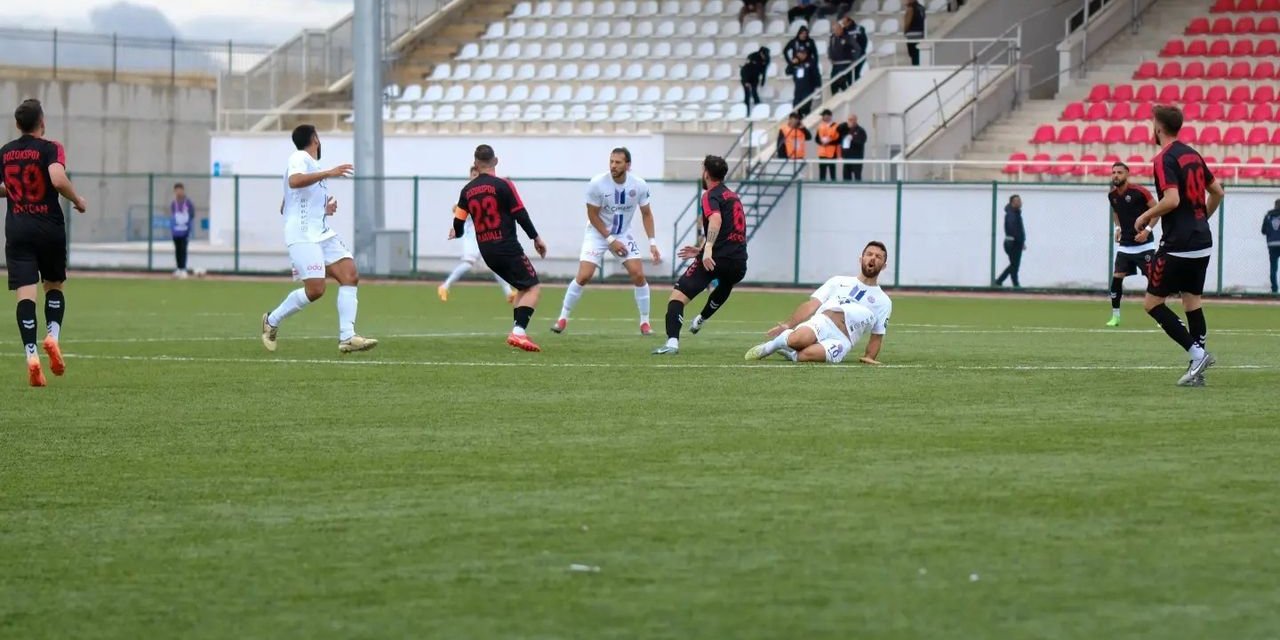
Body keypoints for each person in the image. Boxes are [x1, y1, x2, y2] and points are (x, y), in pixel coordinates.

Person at [260, 124, 376, 354]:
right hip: (302, 235)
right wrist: (329, 172)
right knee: (316, 289)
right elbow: (294, 182)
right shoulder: (300, 157)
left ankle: (347, 337)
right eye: (319, 136)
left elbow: (289, 204)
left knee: (350, 274)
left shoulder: (312, 165)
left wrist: (324, 208)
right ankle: (271, 321)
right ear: (315, 138)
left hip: (321, 233)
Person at [1135, 105, 1225, 387]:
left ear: (1158, 128)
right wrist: (1200, 219)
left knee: (1152, 304)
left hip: (1178, 245)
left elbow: (1172, 200)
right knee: (1192, 302)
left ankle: (1197, 354)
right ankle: (1197, 371)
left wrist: (1146, 215)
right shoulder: (1193, 154)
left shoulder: (1164, 158)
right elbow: (1217, 192)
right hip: (1202, 240)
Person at [0, 99, 86, 386]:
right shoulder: (51, 148)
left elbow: (8, 186)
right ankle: (53, 336)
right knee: (54, 286)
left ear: (17, 125)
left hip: (18, 229)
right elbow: (57, 178)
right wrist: (77, 199)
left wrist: (14, 191)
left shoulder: (6, 153)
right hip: (48, 227)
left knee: (26, 296)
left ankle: (31, 355)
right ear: (42, 122)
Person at [552, 147, 661, 335]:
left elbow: (647, 214)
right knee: (584, 276)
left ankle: (645, 322)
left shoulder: (639, 185)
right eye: (611, 161)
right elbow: (592, 215)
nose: (613, 166)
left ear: (628, 165)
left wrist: (652, 242)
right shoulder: (597, 183)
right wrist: (610, 240)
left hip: (622, 234)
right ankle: (562, 318)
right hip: (597, 233)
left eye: (618, 162)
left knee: (638, 274)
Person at [453, 144, 548, 352]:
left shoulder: (467, 191)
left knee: (522, 288)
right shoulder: (504, 185)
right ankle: (519, 332)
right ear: (496, 161)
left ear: (475, 164)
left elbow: (458, 224)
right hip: (506, 245)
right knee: (533, 287)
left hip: (486, 250)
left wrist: (456, 232)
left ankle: (518, 331)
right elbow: (520, 213)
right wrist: (536, 238)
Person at [653, 155, 749, 355]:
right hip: (739, 261)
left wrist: (707, 249)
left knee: (677, 298)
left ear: (706, 172)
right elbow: (730, 229)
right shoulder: (733, 196)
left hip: (717, 258)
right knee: (726, 283)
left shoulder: (710, 195)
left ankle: (672, 343)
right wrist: (703, 247)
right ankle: (702, 319)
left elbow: (716, 220)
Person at [745, 241, 892, 364]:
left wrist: (869, 357)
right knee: (798, 340)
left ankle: (791, 354)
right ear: (861, 259)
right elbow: (811, 305)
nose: (872, 258)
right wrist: (787, 325)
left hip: (843, 340)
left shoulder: (884, 301)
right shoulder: (838, 281)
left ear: (884, 265)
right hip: (823, 322)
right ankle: (773, 345)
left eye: (878, 257)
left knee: (806, 355)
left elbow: (877, 335)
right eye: (869, 254)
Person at [438, 165, 515, 303]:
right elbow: (455, 209)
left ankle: (509, 293)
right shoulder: (467, 192)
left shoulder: (485, 192)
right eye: (473, 175)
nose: (475, 177)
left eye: (477, 175)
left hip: (485, 235)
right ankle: (445, 286)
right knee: (468, 263)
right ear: (470, 176)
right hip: (471, 236)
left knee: (496, 264)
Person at [1105, 162, 1157, 327]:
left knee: (1154, 281)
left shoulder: (1139, 192)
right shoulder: (1112, 195)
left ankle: (1161, 317)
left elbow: (1157, 210)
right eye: (1113, 172)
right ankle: (1116, 316)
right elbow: (1116, 212)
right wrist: (1118, 228)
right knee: (1116, 280)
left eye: (1119, 172)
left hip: (1144, 246)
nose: (1116, 175)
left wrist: (1147, 230)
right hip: (1125, 246)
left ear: (1127, 174)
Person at [994, 194, 1024, 288]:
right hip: (1013, 243)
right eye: (1017, 201)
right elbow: (1013, 230)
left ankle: (1014, 283)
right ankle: (1000, 281)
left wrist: (1022, 241)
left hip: (1014, 242)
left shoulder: (1015, 213)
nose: (1019, 202)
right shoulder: (1011, 215)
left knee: (1014, 265)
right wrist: (1019, 241)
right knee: (1014, 265)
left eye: (1020, 200)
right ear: (1012, 203)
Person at [169, 182, 196, 278]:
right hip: (176, 231)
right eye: (176, 190)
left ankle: (183, 268)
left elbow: (192, 214)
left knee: (183, 249)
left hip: (185, 230)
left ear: (183, 190)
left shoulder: (187, 202)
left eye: (180, 190)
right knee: (177, 250)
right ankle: (178, 268)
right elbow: (172, 215)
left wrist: (187, 224)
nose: (178, 192)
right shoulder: (174, 203)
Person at [788, 48, 821, 117]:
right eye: (799, 53)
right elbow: (787, 72)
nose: (800, 55)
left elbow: (816, 75)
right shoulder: (796, 63)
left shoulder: (811, 62)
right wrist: (792, 63)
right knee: (796, 107)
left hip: (808, 89)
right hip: (798, 89)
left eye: (802, 53)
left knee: (805, 108)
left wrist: (818, 86)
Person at [836, 114, 867, 181]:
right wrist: (845, 124)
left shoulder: (860, 130)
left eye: (851, 120)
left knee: (857, 177)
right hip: (847, 157)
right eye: (848, 120)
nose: (849, 122)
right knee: (846, 177)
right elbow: (838, 129)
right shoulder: (845, 130)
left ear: (855, 120)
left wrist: (852, 139)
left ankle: (858, 190)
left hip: (856, 158)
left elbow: (862, 141)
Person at [828, 21, 855, 94]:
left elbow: (856, 48)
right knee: (833, 86)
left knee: (845, 86)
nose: (835, 32)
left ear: (841, 29)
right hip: (835, 66)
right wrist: (830, 56)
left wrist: (853, 59)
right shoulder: (832, 38)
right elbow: (830, 48)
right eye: (833, 30)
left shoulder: (848, 37)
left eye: (836, 30)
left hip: (845, 65)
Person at [815, 109, 840, 182]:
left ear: (829, 116)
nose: (823, 117)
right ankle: (821, 184)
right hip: (822, 152)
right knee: (822, 170)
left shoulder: (836, 126)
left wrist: (829, 142)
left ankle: (834, 184)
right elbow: (816, 138)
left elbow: (838, 139)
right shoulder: (820, 126)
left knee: (832, 170)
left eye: (824, 115)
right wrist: (821, 142)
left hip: (832, 152)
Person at [740, 48, 766, 113]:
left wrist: (762, 81)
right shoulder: (751, 58)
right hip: (746, 78)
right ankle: (746, 111)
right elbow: (744, 72)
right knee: (747, 95)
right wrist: (746, 82)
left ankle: (758, 109)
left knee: (754, 93)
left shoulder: (763, 60)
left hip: (754, 79)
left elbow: (762, 71)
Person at [1262, 199, 1280, 294]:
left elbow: (1263, 231)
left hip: (1272, 244)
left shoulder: (1268, 216)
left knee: (1273, 268)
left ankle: (1274, 289)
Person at [844, 17, 870, 81]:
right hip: (849, 57)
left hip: (859, 55)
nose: (843, 24)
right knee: (848, 75)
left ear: (849, 22)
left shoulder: (859, 29)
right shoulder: (844, 30)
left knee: (855, 74)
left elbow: (863, 42)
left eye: (845, 23)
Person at [904, 0, 927, 66]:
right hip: (921, 34)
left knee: (913, 54)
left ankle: (915, 67)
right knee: (918, 54)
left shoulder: (911, 8)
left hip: (912, 35)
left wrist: (905, 31)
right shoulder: (922, 8)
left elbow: (907, 22)